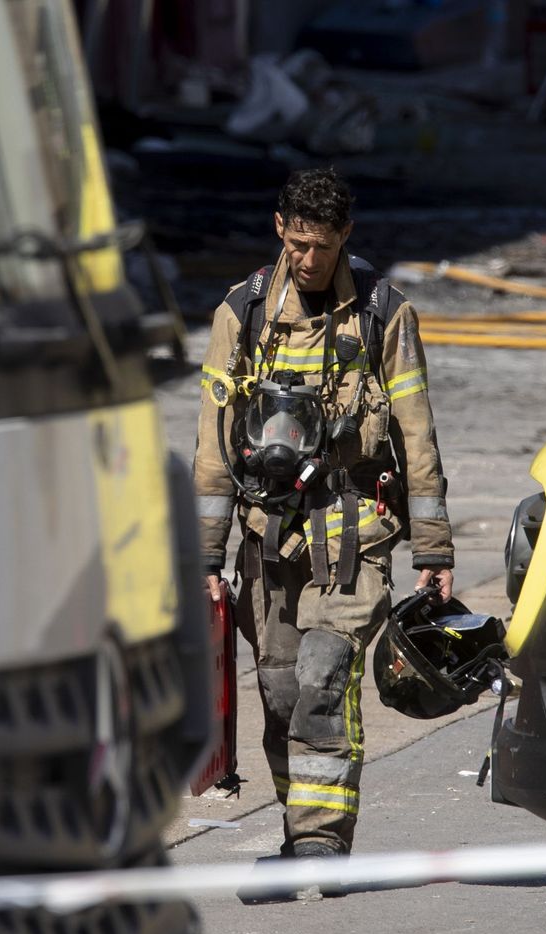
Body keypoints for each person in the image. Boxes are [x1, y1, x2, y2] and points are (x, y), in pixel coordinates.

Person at [192, 167, 454, 892]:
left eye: (324, 245)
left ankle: (321, 843)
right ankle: (296, 825)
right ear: (281, 228)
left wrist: (434, 546)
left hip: (352, 530)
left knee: (322, 673)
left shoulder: (383, 315)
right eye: (299, 243)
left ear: (347, 235)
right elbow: (212, 445)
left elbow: (417, 432)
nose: (310, 260)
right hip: (268, 537)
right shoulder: (241, 313)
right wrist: (207, 556)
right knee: (279, 692)